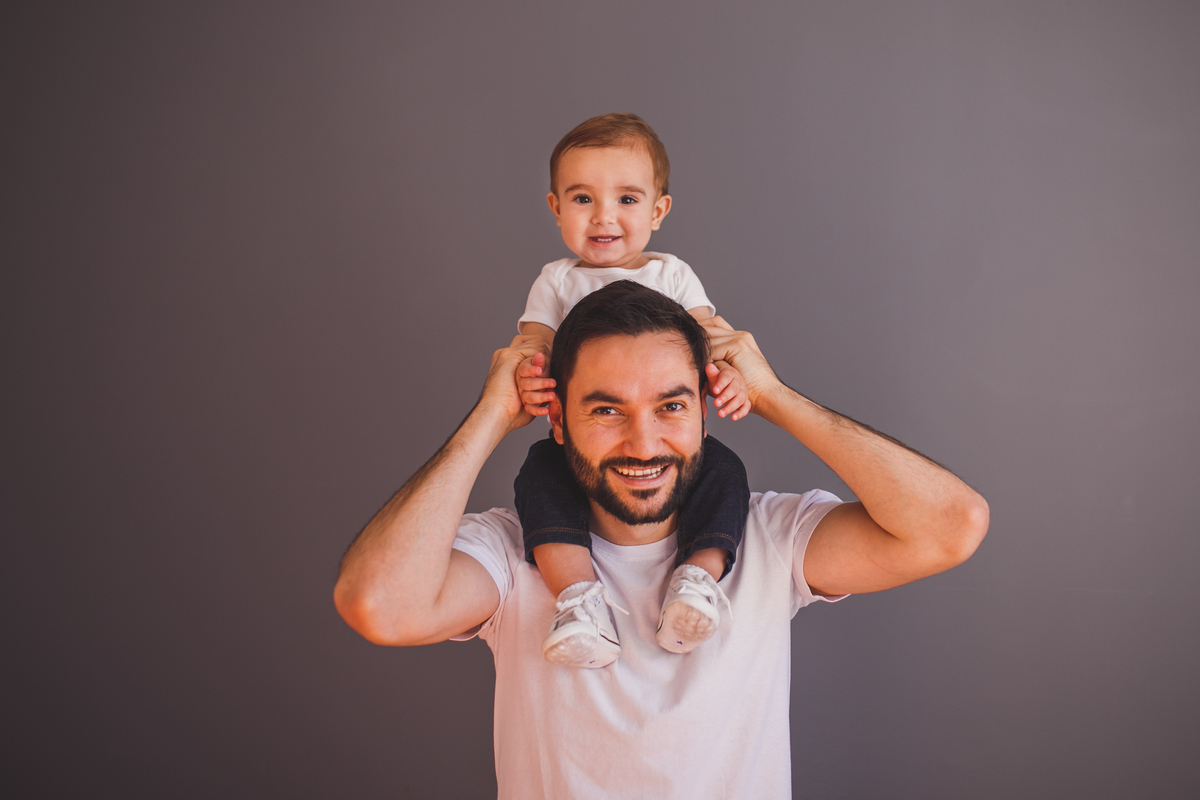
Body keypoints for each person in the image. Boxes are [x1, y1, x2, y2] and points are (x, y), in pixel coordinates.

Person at [334, 281, 990, 799]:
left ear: (705, 413)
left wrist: (774, 396)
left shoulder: (769, 539)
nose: (643, 444)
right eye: (606, 409)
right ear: (556, 419)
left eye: (671, 407)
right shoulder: (510, 555)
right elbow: (381, 605)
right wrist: (488, 417)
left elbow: (950, 525)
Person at [515, 112, 752, 667]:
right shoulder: (557, 281)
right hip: (586, 437)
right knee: (538, 479)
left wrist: (734, 378)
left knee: (725, 474)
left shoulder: (671, 275)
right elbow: (531, 345)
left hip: (666, 431)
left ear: (658, 210)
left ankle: (697, 580)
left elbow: (716, 343)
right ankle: (578, 603)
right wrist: (527, 376)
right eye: (582, 199)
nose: (604, 217)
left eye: (626, 199)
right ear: (554, 208)